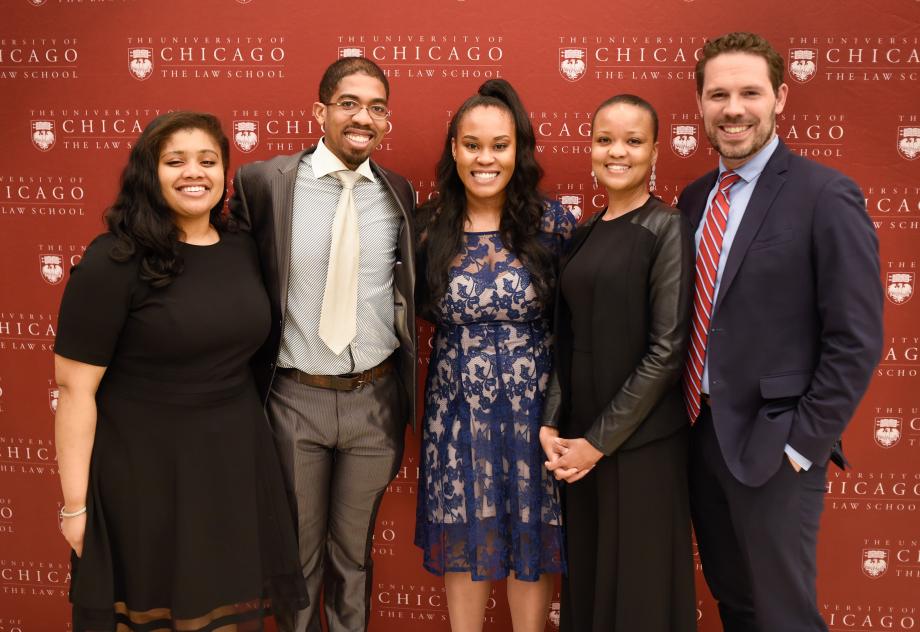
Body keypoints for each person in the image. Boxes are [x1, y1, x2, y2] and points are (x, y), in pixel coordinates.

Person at [54, 111, 306, 632]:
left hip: (233, 466)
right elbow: (75, 390)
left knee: (224, 616)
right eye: (176, 161)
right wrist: (77, 508)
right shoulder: (113, 260)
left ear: (224, 172)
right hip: (144, 475)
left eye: (208, 161)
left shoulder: (242, 248)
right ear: (150, 172)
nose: (195, 173)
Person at [681, 32, 884, 631]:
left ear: (780, 98)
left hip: (777, 446)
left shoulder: (825, 195)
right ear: (700, 105)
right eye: (719, 94)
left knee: (784, 617)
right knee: (736, 606)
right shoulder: (694, 200)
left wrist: (803, 445)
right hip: (699, 436)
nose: (734, 108)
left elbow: (856, 338)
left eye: (750, 92)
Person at [228, 57, 416, 632]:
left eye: (377, 107)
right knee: (298, 561)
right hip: (294, 400)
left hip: (374, 402)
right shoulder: (265, 183)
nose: (365, 117)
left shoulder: (397, 192)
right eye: (350, 103)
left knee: (353, 559)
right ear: (321, 111)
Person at [414, 79, 575, 632]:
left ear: (519, 150)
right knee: (465, 535)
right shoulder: (426, 227)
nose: (486, 158)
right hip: (456, 414)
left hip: (537, 417)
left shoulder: (552, 226)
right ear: (453, 149)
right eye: (472, 144)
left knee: (529, 540)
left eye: (500, 145)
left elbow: (575, 331)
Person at [541, 94, 696, 632]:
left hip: (642, 447)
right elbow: (567, 338)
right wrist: (552, 421)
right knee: (589, 587)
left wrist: (598, 442)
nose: (617, 152)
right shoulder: (583, 234)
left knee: (638, 599)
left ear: (656, 151)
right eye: (605, 139)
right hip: (580, 447)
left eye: (633, 141)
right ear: (590, 149)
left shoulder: (668, 228)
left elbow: (667, 350)